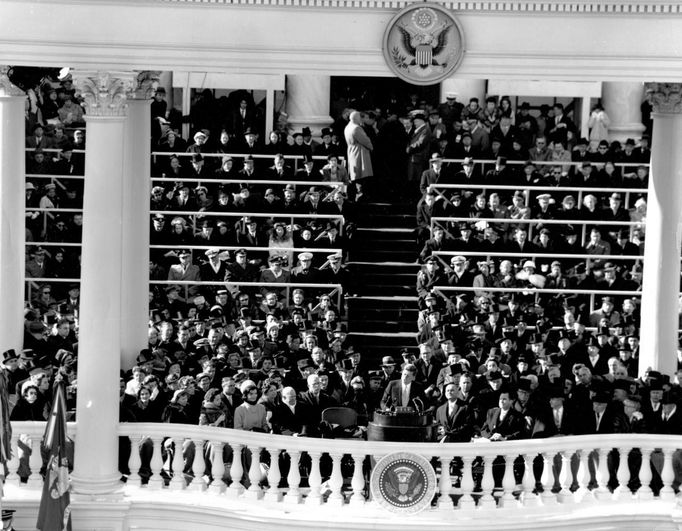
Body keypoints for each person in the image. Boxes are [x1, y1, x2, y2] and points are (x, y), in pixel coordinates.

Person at [344, 110, 374, 198]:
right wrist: (371, 147)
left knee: (356, 176)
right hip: (360, 153)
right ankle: (360, 197)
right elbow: (365, 140)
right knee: (361, 176)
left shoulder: (347, 127)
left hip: (351, 152)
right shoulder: (356, 128)